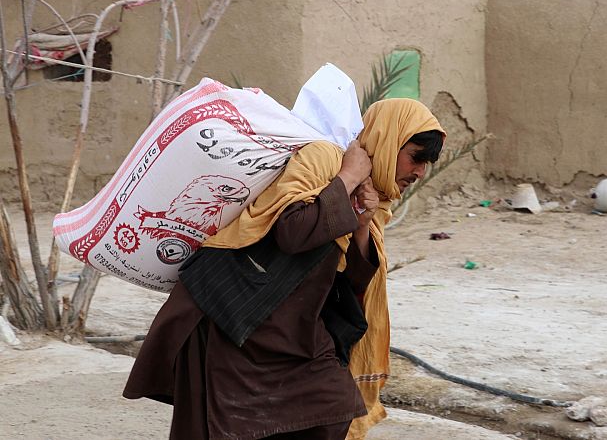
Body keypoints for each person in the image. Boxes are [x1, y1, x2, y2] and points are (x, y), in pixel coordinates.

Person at [123, 98, 446, 440]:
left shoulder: (373, 200)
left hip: (288, 330)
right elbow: (292, 232)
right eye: (416, 157)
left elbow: (352, 283)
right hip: (229, 314)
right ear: (388, 139)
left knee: (332, 408)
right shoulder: (323, 159)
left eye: (427, 163)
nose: (421, 171)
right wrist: (347, 177)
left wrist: (362, 223)